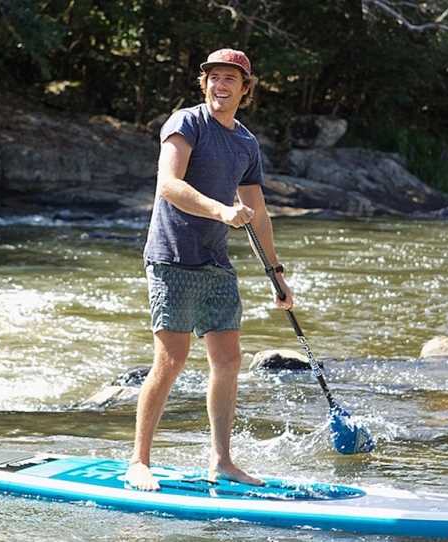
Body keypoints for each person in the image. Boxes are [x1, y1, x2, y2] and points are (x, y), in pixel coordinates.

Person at [128, 48, 294, 491]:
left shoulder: (245, 142)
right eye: (214, 78)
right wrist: (222, 211)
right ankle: (139, 461)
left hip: (215, 260)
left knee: (229, 359)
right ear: (205, 84)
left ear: (245, 89)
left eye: (230, 79)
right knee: (171, 359)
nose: (221, 86)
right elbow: (169, 185)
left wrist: (275, 273)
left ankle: (221, 460)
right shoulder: (186, 123)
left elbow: (257, 212)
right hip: (172, 256)